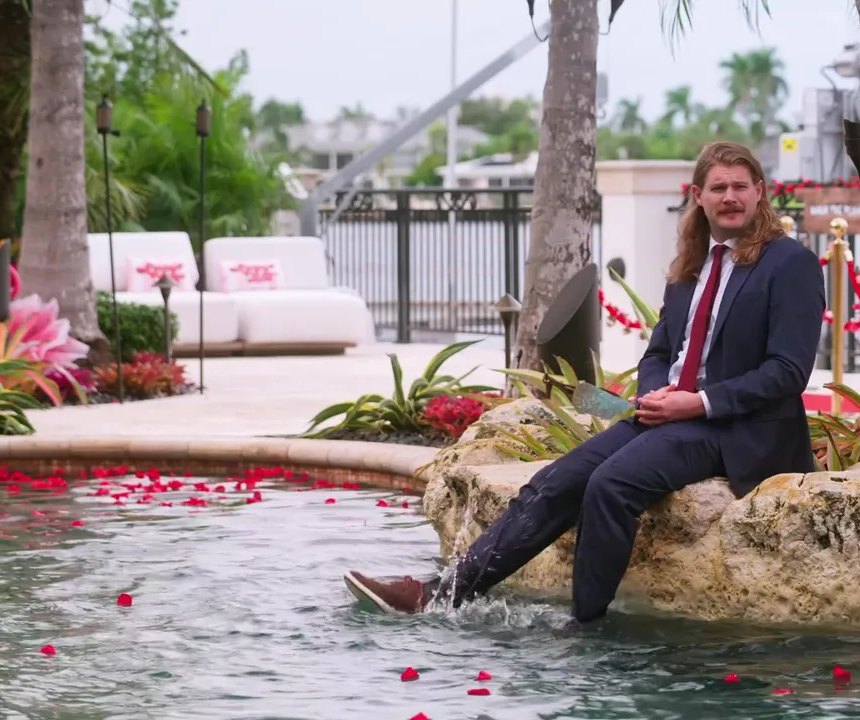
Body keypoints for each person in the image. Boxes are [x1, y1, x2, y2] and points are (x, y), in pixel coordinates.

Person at [345, 141, 826, 623]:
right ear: (698, 196)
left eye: (740, 186)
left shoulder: (789, 264)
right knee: (553, 482)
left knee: (611, 485)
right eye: (718, 188)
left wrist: (696, 402)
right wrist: (655, 392)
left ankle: (586, 629)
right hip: (668, 416)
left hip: (736, 428)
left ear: (759, 191)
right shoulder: (690, 267)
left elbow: (788, 371)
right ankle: (440, 595)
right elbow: (660, 354)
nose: (730, 197)